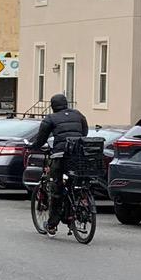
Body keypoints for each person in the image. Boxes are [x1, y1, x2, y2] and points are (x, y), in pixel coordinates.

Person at [28, 92, 89, 233]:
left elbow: (41, 138)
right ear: (66, 104)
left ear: (52, 106)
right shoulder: (78, 115)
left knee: (57, 187)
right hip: (78, 155)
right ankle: (78, 204)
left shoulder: (50, 118)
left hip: (61, 156)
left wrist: (33, 147)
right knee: (75, 183)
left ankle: (52, 224)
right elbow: (84, 132)